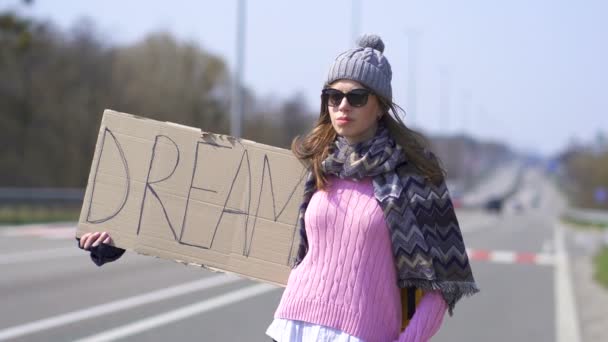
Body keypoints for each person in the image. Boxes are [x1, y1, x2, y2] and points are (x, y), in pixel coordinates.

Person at [79, 33, 479, 342]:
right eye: (333, 96)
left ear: (380, 105)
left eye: (356, 96)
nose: (342, 106)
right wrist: (123, 234)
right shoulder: (313, 167)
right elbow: (209, 215)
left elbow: (444, 286)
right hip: (292, 327)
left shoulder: (415, 178)